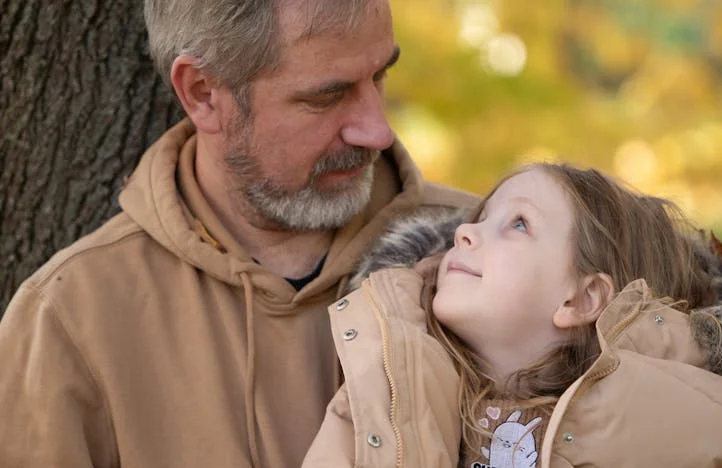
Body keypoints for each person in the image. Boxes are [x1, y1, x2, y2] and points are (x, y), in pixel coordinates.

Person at [0, 1, 477, 467]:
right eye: (325, 96)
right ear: (203, 92)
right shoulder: (68, 320)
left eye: (379, 76)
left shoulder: (488, 251)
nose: (378, 131)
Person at [302, 162, 722, 467]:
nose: (465, 234)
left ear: (581, 300)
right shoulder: (387, 385)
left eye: (517, 223)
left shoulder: (694, 423)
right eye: (479, 219)